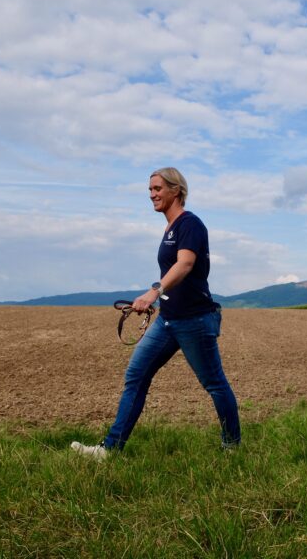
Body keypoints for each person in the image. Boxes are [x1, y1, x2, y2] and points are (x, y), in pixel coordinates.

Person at [71, 167, 241, 459]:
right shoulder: (170, 228)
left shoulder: (191, 224)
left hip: (195, 320)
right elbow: (174, 273)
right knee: (136, 376)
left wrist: (153, 291)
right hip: (168, 318)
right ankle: (109, 450)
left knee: (214, 383)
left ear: (176, 190)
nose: (152, 194)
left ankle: (232, 447)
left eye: (158, 188)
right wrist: (158, 299)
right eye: (150, 189)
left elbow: (185, 265)